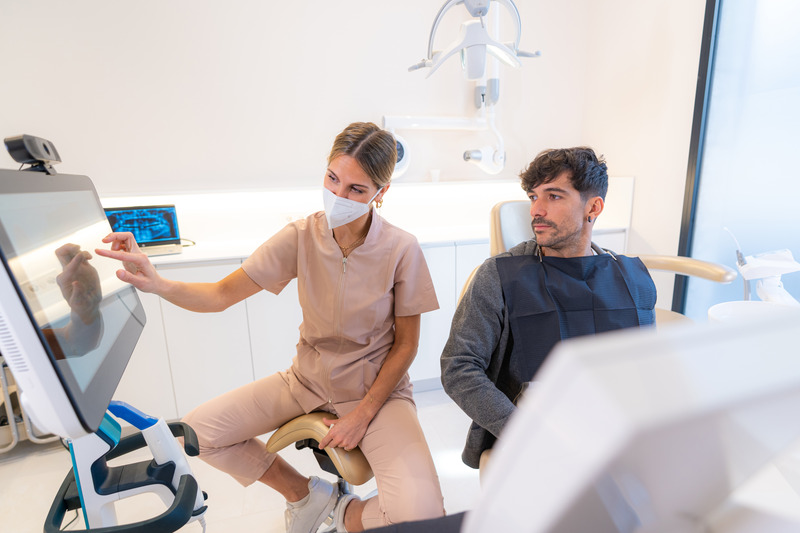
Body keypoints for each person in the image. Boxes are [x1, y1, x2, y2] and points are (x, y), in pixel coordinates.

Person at [96, 122, 445, 533]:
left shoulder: (401, 249)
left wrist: (363, 414)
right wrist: (157, 283)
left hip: (375, 394)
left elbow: (406, 346)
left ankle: (339, 515)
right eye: (333, 179)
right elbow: (221, 295)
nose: (338, 196)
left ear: (381, 194)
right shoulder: (301, 236)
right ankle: (307, 496)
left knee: (422, 519)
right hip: (306, 381)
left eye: (356, 189)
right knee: (200, 433)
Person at [440, 147, 657, 469]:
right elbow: (458, 367)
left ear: (593, 207)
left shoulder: (632, 279)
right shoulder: (500, 275)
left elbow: (644, 368)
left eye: (553, 196)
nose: (536, 211)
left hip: (617, 435)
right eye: (533, 197)